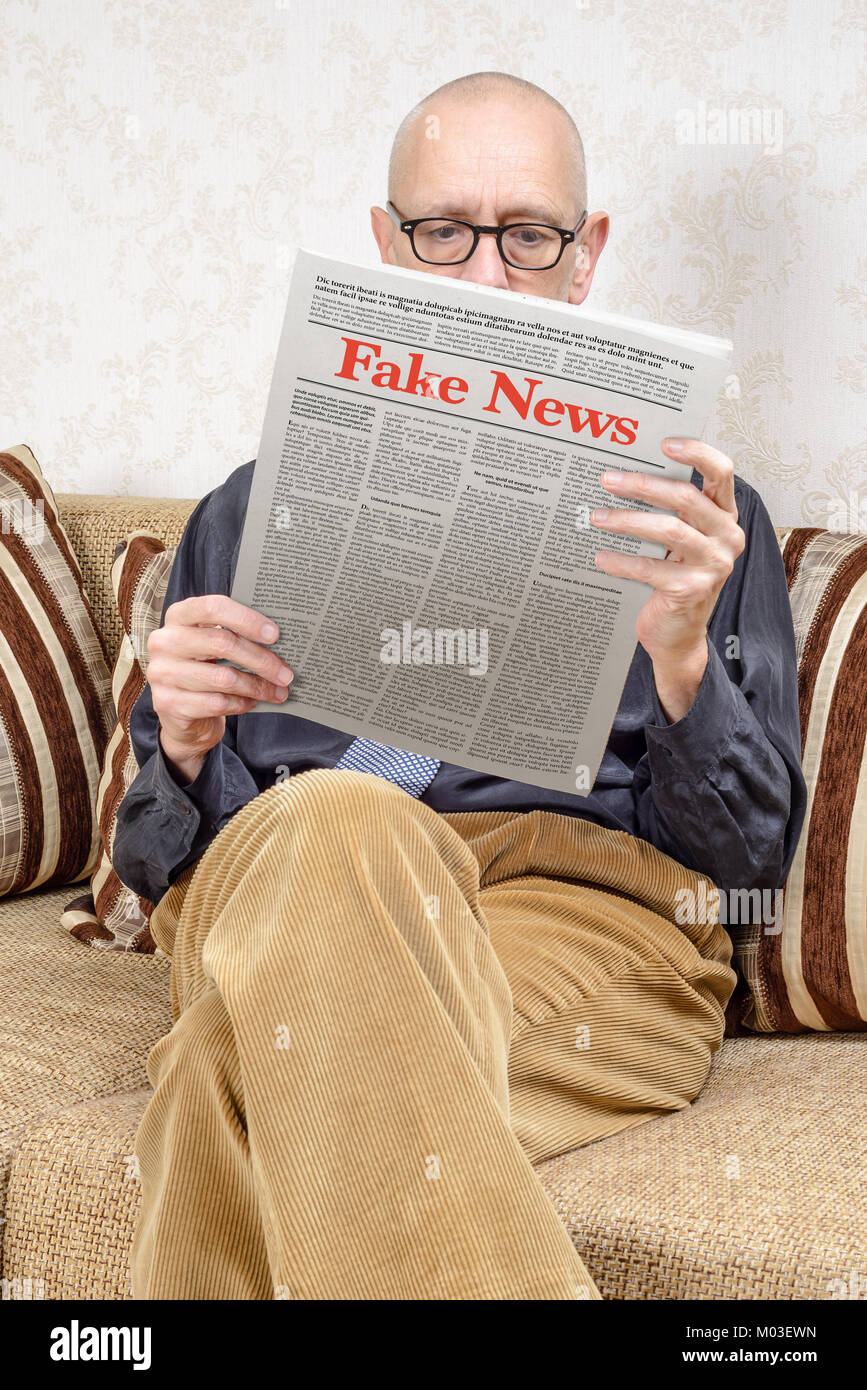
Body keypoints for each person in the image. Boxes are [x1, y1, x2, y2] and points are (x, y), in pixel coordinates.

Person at [113, 71, 807, 1301]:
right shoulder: (244, 513)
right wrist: (173, 747)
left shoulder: (698, 519)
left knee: (219, 1078)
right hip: (272, 892)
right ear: (386, 245)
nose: (486, 279)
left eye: (528, 236)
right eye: (445, 233)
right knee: (333, 821)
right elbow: (160, 865)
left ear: (585, 257)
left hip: (577, 908)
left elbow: (747, 869)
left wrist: (686, 659)